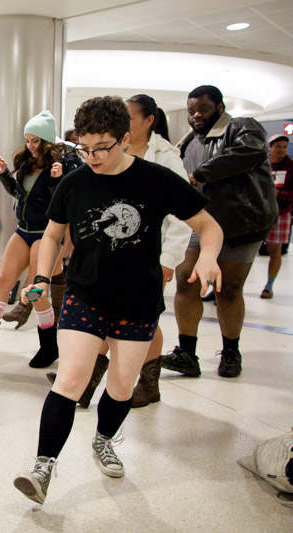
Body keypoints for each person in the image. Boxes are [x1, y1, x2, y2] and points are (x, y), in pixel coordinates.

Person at [13, 95, 223, 507]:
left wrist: (210, 256)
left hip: (139, 300)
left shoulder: (156, 179)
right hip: (85, 293)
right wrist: (41, 276)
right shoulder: (74, 182)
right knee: (71, 379)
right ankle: (43, 467)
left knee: (122, 385)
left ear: (125, 139)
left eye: (102, 148)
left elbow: (207, 225)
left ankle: (104, 439)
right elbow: (53, 234)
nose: (92, 157)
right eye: (84, 148)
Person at [46, 94, 192, 408]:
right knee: (98, 321)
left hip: (147, 257)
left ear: (143, 123)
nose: (92, 155)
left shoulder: (162, 158)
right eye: (86, 149)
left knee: (141, 322)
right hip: (99, 266)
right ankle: (84, 381)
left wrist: (169, 259)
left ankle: (147, 382)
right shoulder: (90, 166)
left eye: (131, 116)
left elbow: (185, 218)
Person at [162, 85, 277, 379]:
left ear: (220, 107)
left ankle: (230, 352)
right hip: (199, 222)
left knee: (228, 289)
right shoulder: (188, 142)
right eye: (191, 110)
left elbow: (248, 152)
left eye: (203, 109)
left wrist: (201, 174)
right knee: (187, 282)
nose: (196, 115)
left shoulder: (242, 128)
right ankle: (186, 352)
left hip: (241, 223)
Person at [0, 111, 75, 368]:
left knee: (34, 292)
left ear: (46, 141)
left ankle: (48, 347)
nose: (30, 146)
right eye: (28, 140)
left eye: (35, 141)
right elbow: (20, 195)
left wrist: (57, 180)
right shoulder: (27, 163)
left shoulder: (62, 166)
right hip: (23, 230)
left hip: (47, 234)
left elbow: (63, 203)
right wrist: (4, 176)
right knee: (3, 283)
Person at [260, 135, 293, 299]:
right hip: (256, 214)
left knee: (275, 251)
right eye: (277, 146)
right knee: (246, 251)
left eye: (284, 147)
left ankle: (269, 286)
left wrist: (281, 195)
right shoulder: (260, 164)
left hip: (280, 214)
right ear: (269, 147)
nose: (281, 150)